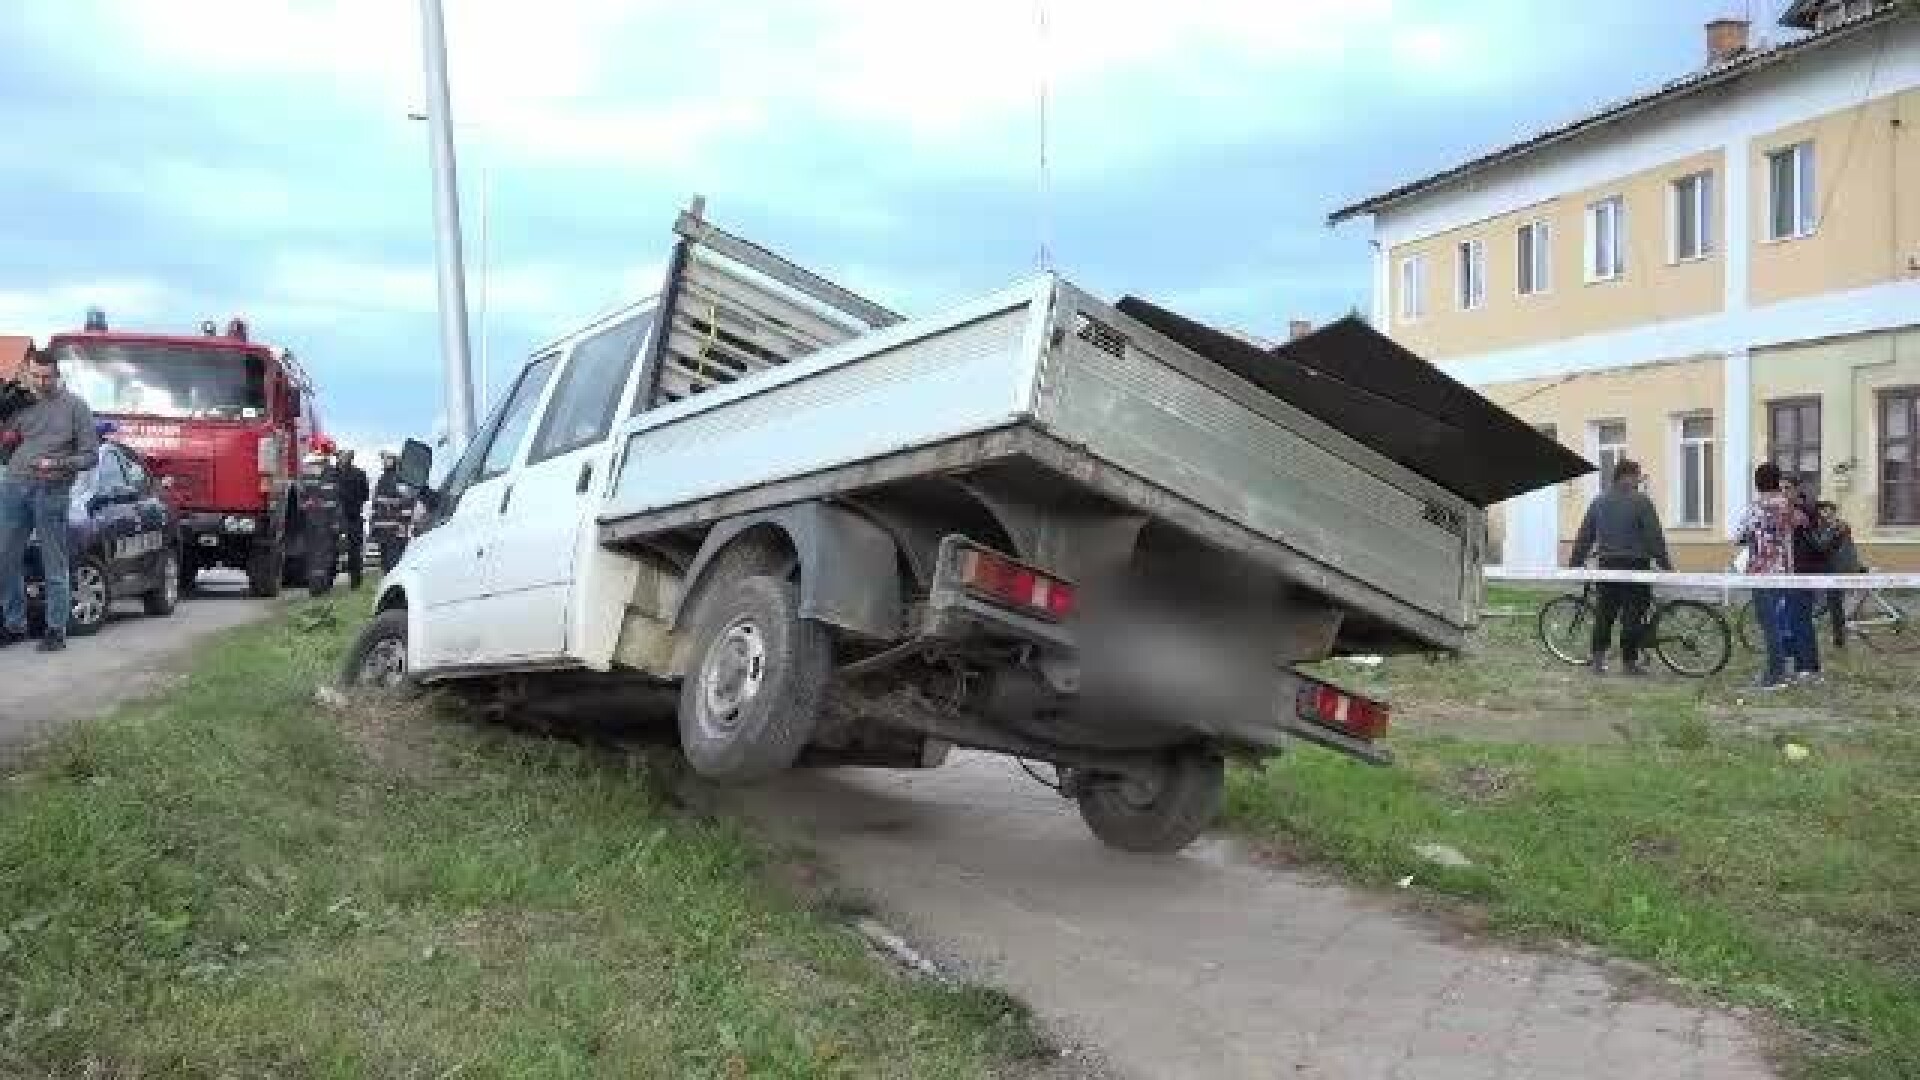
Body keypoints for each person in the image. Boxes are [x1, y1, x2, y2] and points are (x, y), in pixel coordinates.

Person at [0, 351, 101, 652]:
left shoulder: (75, 407)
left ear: (57, 375)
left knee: (53, 561)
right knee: (5, 557)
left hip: (51, 489)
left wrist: (58, 464)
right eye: (37, 376)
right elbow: (7, 441)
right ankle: (13, 623)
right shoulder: (21, 403)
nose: (42, 382)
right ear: (29, 373)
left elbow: (91, 456)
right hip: (15, 485)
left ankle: (55, 628)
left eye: (48, 376)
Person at [1569, 458, 1672, 676]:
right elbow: (1654, 536)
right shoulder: (1641, 502)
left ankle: (1598, 661)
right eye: (1637, 476)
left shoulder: (1599, 501)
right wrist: (1665, 565)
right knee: (1633, 615)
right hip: (1636, 566)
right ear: (1626, 476)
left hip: (1607, 566)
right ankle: (1629, 663)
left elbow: (1585, 534)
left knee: (1605, 613)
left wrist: (1575, 563)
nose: (1638, 481)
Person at [1735, 462, 1807, 690]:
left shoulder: (1756, 506)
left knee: (1769, 624)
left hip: (1761, 572)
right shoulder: (1786, 506)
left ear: (1757, 483)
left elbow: (1739, 536)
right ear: (1777, 482)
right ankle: (1788, 667)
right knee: (1782, 621)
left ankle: (1775, 674)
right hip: (1785, 570)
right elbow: (1801, 522)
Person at [1781, 477, 1824, 681]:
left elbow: (1794, 520)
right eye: (1779, 488)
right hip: (1787, 573)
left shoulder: (1805, 510)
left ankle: (1809, 666)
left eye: (1787, 488)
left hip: (1803, 573)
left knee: (1801, 619)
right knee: (1789, 619)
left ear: (1797, 490)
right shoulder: (1786, 509)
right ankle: (1797, 663)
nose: (1783, 492)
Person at [1810, 501, 1861, 650]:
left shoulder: (1839, 526)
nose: (1824, 514)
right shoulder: (1829, 527)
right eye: (1822, 511)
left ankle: (1839, 639)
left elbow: (1823, 545)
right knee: (1831, 601)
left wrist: (1811, 537)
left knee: (1834, 603)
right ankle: (1837, 629)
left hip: (1841, 570)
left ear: (1833, 511)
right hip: (1838, 569)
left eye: (1827, 511)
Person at [297, 436, 343, 596]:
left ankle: (316, 587)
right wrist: (336, 521)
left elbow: (303, 497)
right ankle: (319, 588)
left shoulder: (307, 471)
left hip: (313, 519)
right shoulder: (330, 472)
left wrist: (307, 508)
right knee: (322, 556)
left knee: (315, 555)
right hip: (324, 520)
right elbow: (337, 500)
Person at [369, 448, 413, 574]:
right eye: (383, 458)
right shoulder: (382, 478)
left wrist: (403, 525)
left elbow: (407, 503)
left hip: (395, 531)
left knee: (395, 564)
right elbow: (376, 505)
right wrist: (373, 526)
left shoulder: (401, 478)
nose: (384, 461)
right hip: (382, 531)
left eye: (388, 458)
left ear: (395, 459)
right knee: (386, 564)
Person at [337, 448, 370, 590]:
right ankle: (355, 583)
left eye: (341, 457)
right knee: (354, 550)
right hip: (353, 516)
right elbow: (365, 496)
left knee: (350, 551)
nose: (339, 459)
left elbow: (365, 495)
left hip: (342, 517)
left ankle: (354, 582)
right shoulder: (360, 474)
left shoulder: (334, 474)